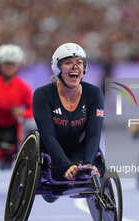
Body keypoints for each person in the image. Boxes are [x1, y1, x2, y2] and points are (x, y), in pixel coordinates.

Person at [33, 42, 104, 182]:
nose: (75, 66)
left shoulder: (94, 94)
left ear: (84, 68)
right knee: (60, 173)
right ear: (57, 68)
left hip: (79, 149)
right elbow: (48, 136)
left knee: (98, 168)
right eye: (68, 62)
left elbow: (94, 135)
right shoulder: (42, 95)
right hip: (51, 152)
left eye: (79, 62)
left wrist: (88, 164)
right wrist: (65, 165)